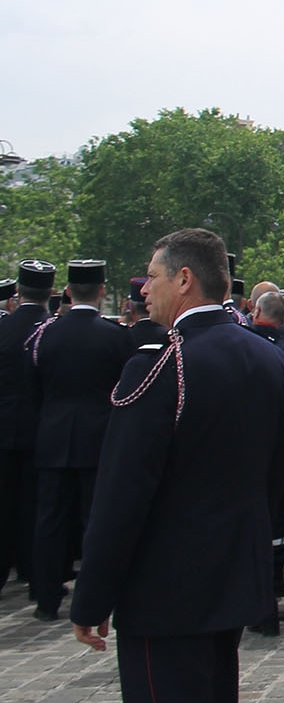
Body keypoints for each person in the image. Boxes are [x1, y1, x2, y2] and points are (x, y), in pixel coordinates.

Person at [69, 228, 284, 703]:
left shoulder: (162, 365)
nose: (145, 289)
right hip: (231, 575)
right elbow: (276, 476)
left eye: (153, 275)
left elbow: (121, 497)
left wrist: (91, 598)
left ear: (185, 279)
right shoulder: (269, 357)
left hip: (165, 589)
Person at [28, 259, 135, 621]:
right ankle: (92, 597)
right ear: (103, 291)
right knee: (94, 520)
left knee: (49, 521)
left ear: (68, 292)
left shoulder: (45, 334)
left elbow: (35, 383)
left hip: (54, 434)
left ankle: (45, 599)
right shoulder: (115, 336)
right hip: (97, 436)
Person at [0, 260, 57, 598]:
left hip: (4, 429)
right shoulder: (52, 329)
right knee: (38, 507)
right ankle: (35, 572)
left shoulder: (3, 329)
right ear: (50, 291)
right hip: (41, 431)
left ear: (18, 292)